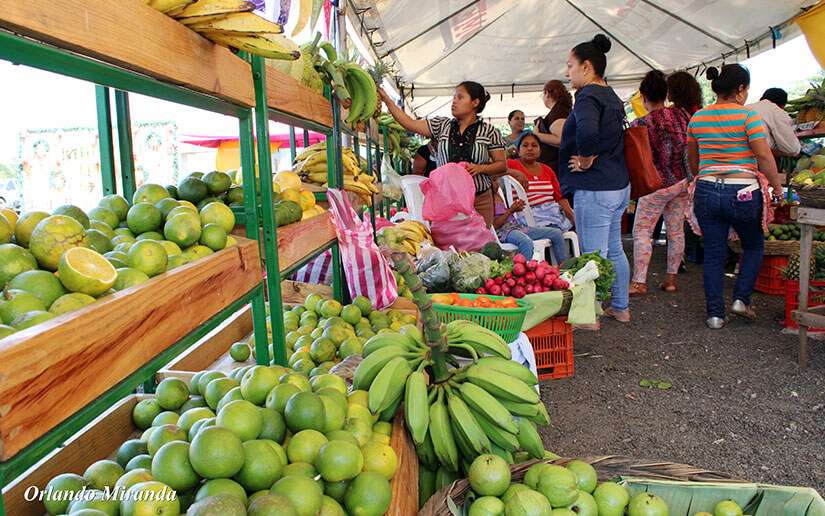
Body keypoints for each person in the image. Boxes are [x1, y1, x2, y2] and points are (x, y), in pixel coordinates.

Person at [687, 64, 783, 329]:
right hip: (743, 191)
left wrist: (704, 175)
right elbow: (763, 156)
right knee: (753, 245)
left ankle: (715, 316)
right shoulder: (748, 117)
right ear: (740, 89)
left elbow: (693, 161)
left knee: (715, 253)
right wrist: (776, 187)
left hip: (706, 188)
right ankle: (741, 299)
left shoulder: (698, 119)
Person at [558, 34, 631, 323]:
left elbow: (587, 133)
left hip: (596, 188)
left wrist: (586, 158)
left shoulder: (587, 96)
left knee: (592, 254)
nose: (567, 72)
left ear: (586, 67)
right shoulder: (611, 95)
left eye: (570, 65)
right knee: (614, 250)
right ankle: (621, 308)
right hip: (618, 185)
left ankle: (590, 315)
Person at [378, 81, 507, 227]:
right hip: (445, 201)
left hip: (480, 201)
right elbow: (409, 123)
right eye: (453, 97)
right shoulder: (441, 125)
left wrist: (480, 168)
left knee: (479, 247)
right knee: (448, 246)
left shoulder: (490, 131)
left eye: (460, 97)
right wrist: (387, 100)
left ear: (475, 102)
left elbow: (502, 166)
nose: (454, 101)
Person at [628, 70, 701, 295]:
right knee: (675, 231)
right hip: (681, 182)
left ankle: (639, 282)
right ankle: (670, 280)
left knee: (642, 231)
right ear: (665, 93)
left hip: (655, 185)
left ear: (643, 96)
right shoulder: (682, 115)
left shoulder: (639, 124)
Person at [506, 132, 575, 231]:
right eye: (525, 145)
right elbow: (493, 169)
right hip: (526, 216)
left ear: (540, 151)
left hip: (552, 213)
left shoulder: (547, 170)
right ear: (519, 151)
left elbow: (560, 198)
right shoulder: (511, 164)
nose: (530, 148)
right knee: (555, 232)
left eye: (534, 145)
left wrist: (572, 217)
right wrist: (513, 172)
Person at [492, 177, 569, 263]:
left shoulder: (497, 194)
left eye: (497, 180)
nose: (498, 184)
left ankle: (563, 266)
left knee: (556, 233)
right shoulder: (486, 200)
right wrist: (511, 210)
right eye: (494, 180)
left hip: (517, 227)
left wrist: (515, 208)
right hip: (504, 232)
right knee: (526, 242)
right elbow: (495, 225)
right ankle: (524, 272)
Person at [746, 88, 801, 157]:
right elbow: (791, 149)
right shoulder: (776, 111)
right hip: (755, 158)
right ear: (782, 106)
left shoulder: (747, 107)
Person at [533, 80, 573, 171]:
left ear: (546, 93)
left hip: (559, 166)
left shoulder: (559, 112)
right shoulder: (563, 110)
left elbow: (561, 139)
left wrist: (537, 135)